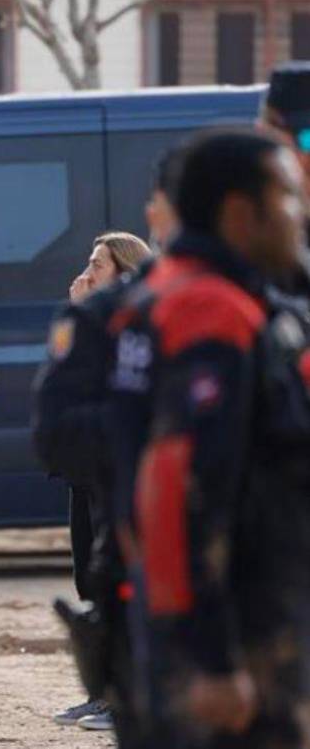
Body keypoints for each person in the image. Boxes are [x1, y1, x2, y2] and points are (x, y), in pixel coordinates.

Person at [107, 128, 310, 748]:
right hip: (235, 650)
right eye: (289, 198)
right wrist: (214, 661)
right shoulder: (210, 311)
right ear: (240, 214)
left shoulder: (178, 295)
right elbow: (176, 487)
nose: (299, 215)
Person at [34, 164, 178, 736]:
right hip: (85, 470)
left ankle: (125, 699)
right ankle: (105, 694)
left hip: (118, 469)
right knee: (87, 573)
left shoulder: (134, 319)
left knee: (116, 577)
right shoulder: (92, 318)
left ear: (124, 272)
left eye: (96, 266)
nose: (84, 273)